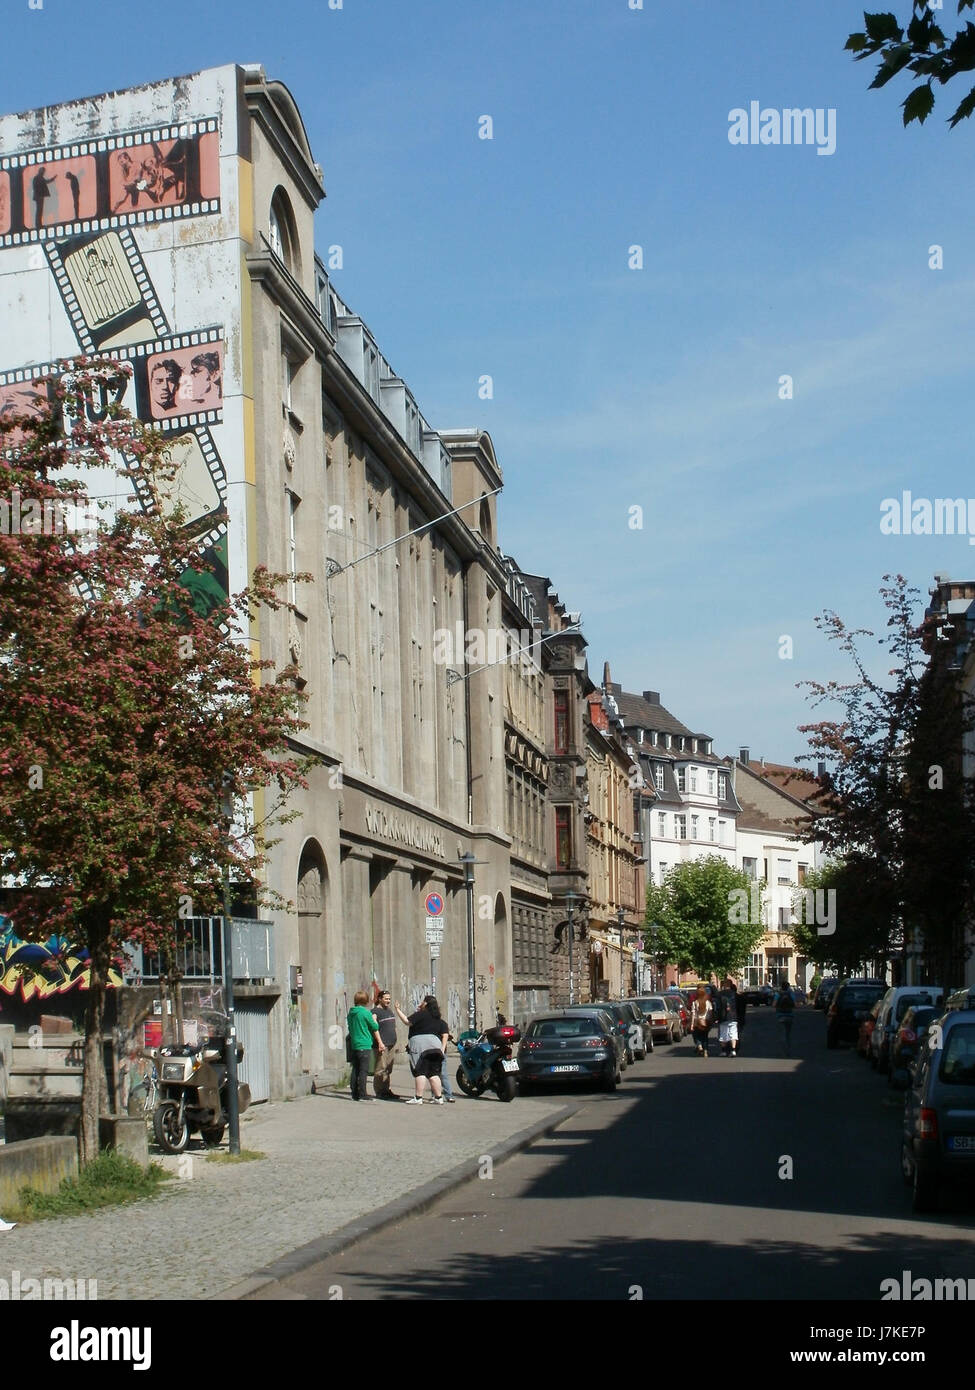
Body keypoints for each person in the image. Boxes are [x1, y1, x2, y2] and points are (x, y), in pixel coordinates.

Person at [403, 994, 449, 1104]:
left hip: (420, 1046)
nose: (421, 1003)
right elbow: (445, 1034)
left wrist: (398, 1010)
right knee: (434, 1073)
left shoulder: (421, 1014)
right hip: (436, 1046)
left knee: (420, 1071)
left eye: (423, 1001)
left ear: (426, 1003)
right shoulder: (438, 1019)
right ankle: (439, 1098)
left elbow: (407, 1021)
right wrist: (442, 1048)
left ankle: (418, 1098)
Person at [347, 989, 384, 1101]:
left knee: (355, 1069)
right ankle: (363, 1094)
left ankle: (354, 1093)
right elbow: (375, 1026)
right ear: (366, 1000)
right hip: (364, 1043)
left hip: (354, 1044)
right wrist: (374, 1020)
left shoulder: (351, 1013)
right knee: (364, 1070)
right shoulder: (365, 1013)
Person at [371, 988, 400, 1099]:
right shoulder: (375, 1012)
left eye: (389, 999)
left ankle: (386, 1090)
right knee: (380, 1069)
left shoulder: (389, 1010)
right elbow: (374, 1028)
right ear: (379, 999)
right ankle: (379, 1091)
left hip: (391, 1044)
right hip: (382, 1045)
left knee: (388, 1069)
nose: (388, 1001)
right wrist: (380, 1042)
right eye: (386, 999)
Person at [690, 983, 714, 1057]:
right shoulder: (708, 1002)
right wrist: (710, 1021)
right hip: (706, 1022)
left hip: (698, 1022)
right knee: (705, 1037)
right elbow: (710, 1013)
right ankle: (706, 1051)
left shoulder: (695, 1002)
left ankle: (700, 1046)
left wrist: (692, 1024)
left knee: (697, 1035)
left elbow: (693, 1014)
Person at [774, 978, 795, 1056]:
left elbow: (774, 1004)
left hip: (780, 1016)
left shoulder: (778, 994)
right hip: (790, 1015)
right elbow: (795, 1004)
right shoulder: (791, 994)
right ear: (788, 987)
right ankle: (788, 1049)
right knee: (788, 1034)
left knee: (782, 1034)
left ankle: (784, 1050)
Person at [718, 978, 739, 1057]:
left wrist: (716, 1017)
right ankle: (733, 1050)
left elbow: (717, 1006)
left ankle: (724, 1051)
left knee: (723, 1034)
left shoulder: (720, 994)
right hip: (733, 1016)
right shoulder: (735, 994)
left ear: (724, 985)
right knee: (733, 1034)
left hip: (723, 1017)